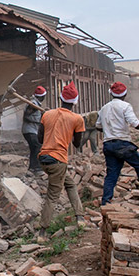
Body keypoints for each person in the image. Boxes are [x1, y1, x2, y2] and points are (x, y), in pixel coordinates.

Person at [37, 82, 85, 229]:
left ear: (60, 98)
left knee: (70, 184)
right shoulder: (77, 119)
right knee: (52, 196)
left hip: (44, 158)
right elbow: (77, 144)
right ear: (76, 102)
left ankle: (80, 217)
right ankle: (42, 232)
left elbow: (40, 139)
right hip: (58, 161)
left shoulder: (47, 114)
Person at [97, 82, 139, 205]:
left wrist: (108, 129)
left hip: (108, 145)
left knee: (111, 174)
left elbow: (98, 126)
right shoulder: (125, 106)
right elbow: (135, 123)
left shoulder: (104, 108)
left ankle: (106, 201)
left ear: (111, 93)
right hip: (122, 144)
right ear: (125, 93)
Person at [22, 86, 47, 172]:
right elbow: (26, 116)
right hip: (30, 130)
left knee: (34, 148)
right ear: (41, 96)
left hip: (32, 130)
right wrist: (39, 120)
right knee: (37, 147)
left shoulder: (36, 104)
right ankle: (36, 168)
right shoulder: (33, 104)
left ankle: (32, 167)